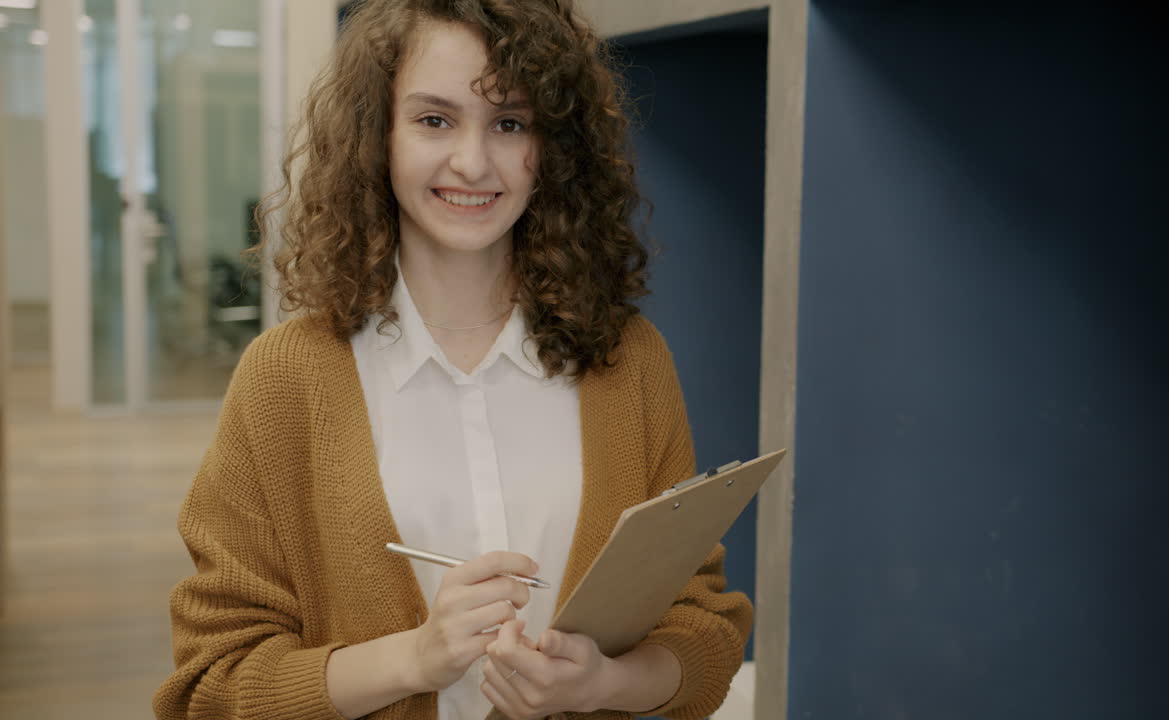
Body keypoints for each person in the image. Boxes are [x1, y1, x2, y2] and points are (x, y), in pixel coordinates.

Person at [151, 1, 751, 719]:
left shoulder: (630, 361)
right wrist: (415, 658)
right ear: (378, 138)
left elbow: (703, 634)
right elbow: (211, 689)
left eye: (510, 123)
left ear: (553, 147)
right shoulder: (286, 378)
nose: (472, 162)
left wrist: (603, 684)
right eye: (434, 120)